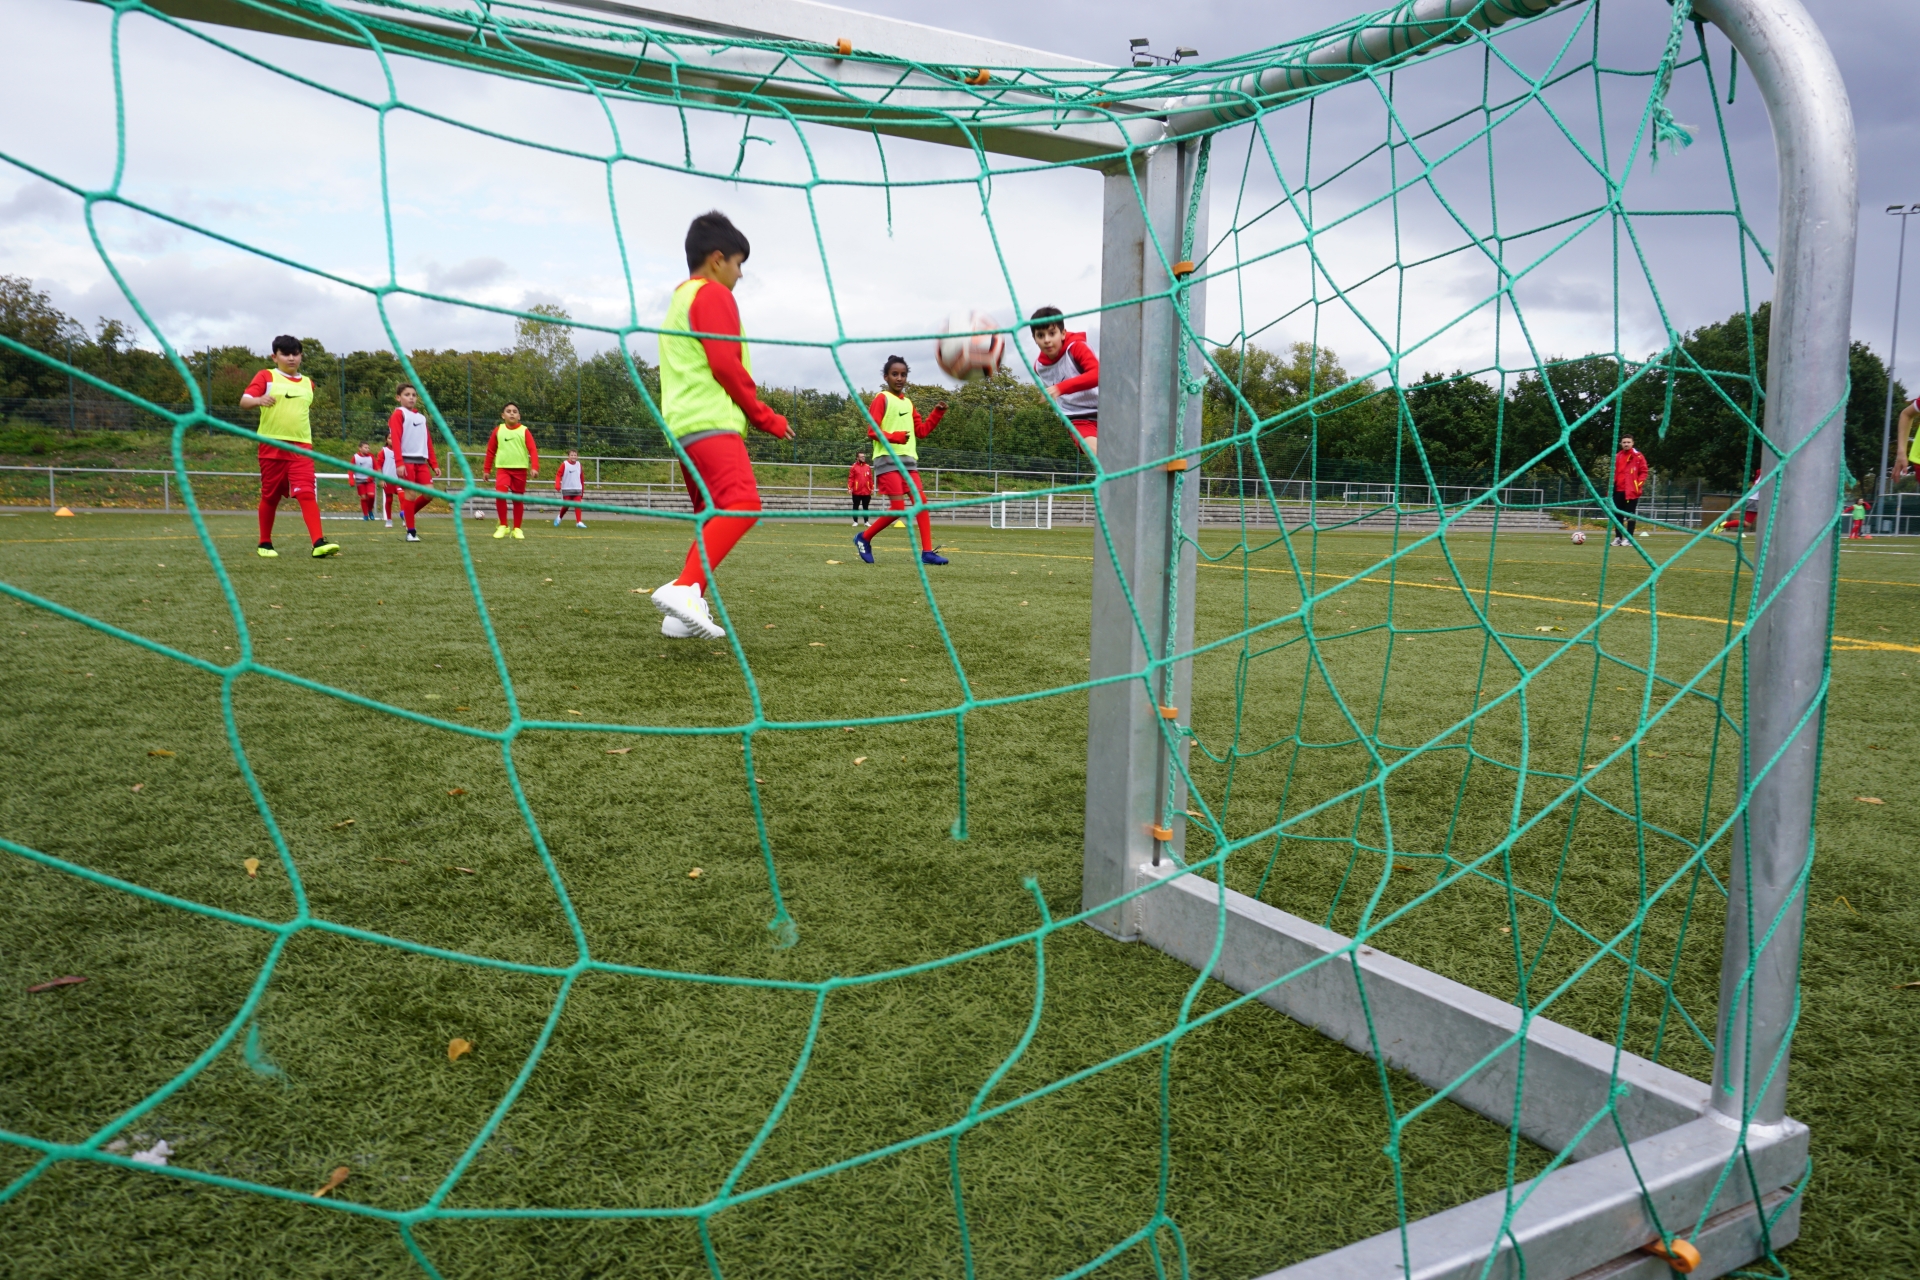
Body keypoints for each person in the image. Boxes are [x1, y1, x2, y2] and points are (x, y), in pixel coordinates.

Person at [648, 210, 792, 641]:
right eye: (738, 263)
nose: (740, 274)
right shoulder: (712, 294)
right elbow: (725, 364)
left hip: (683, 426)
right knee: (742, 503)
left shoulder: (680, 299)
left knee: (710, 517)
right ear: (717, 259)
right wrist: (765, 417)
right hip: (710, 421)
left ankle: (680, 614)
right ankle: (685, 589)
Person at [238, 335, 339, 559]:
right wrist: (259, 400)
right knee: (270, 496)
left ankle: (318, 543)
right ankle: (265, 543)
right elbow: (244, 401)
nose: (291, 358)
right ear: (275, 357)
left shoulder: (308, 383)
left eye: (295, 354)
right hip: (271, 446)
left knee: (307, 492)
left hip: (302, 448)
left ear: (301, 356)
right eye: (285, 354)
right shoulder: (266, 376)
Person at [854, 355, 946, 565]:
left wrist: (937, 413)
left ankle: (927, 552)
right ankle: (864, 537)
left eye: (903, 374)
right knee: (898, 507)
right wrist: (895, 437)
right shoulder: (881, 398)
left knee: (921, 503)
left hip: (909, 463)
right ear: (886, 377)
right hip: (887, 461)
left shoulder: (909, 403)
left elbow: (921, 431)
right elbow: (872, 430)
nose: (899, 378)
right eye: (894, 374)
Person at [1028, 305, 1099, 458]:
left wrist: (1061, 388)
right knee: (1099, 455)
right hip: (1078, 418)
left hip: (1106, 409)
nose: (1047, 340)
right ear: (1034, 339)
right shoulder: (1038, 367)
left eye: (1051, 333)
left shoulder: (1076, 348)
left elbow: (1097, 374)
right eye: (1040, 335)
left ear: (1062, 333)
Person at [387, 383, 438, 543]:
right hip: (406, 462)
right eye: (407, 394)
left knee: (430, 493)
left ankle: (406, 513)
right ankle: (411, 532)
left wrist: (434, 464)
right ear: (398, 397)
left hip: (421, 463)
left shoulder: (421, 418)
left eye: (414, 395)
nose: (411, 398)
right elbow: (396, 439)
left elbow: (427, 442)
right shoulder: (398, 414)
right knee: (411, 494)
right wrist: (399, 462)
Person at [482, 403, 539, 540]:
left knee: (517, 500)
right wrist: (486, 469)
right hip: (503, 469)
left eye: (514, 411)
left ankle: (517, 528)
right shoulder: (498, 430)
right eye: (508, 411)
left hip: (520, 469)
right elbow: (490, 451)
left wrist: (535, 467)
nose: (512, 413)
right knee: (500, 494)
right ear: (503, 415)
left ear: (519, 416)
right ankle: (503, 525)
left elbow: (533, 450)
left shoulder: (524, 431)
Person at [1610, 434, 1648, 546]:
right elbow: (1614, 473)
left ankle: (1629, 538)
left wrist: (1637, 485)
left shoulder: (1638, 456)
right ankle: (1618, 537)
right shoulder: (1617, 456)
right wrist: (1611, 487)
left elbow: (1644, 471)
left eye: (1628, 442)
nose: (1626, 444)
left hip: (1631, 492)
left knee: (1630, 515)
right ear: (1621, 444)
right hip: (1618, 491)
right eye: (1624, 442)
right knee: (1617, 515)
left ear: (1632, 443)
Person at [554, 449, 586, 528]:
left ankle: (579, 522)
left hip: (577, 488)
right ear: (568, 456)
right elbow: (558, 475)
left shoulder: (579, 465)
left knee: (577, 504)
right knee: (566, 505)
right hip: (567, 488)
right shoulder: (564, 464)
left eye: (575, 455)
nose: (573, 457)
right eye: (571, 455)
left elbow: (581, 478)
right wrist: (557, 484)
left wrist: (582, 490)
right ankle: (559, 517)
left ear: (577, 456)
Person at [375, 439, 400, 527]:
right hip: (388, 479)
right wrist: (381, 479)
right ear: (386, 440)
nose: (392, 440)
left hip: (400, 480)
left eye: (394, 438)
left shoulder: (401, 450)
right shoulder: (383, 452)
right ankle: (389, 520)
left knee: (403, 498)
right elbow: (379, 466)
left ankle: (405, 518)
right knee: (389, 500)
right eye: (390, 438)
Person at [350, 441, 378, 521]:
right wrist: (351, 479)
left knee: (371, 496)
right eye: (365, 447)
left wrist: (371, 477)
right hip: (360, 480)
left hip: (370, 480)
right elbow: (350, 469)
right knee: (363, 498)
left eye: (368, 448)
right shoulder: (355, 457)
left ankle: (370, 510)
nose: (367, 449)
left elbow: (375, 468)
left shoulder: (371, 457)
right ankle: (365, 515)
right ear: (360, 448)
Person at [847, 450, 873, 527]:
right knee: (856, 506)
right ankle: (855, 521)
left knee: (866, 507)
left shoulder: (867, 467)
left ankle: (866, 521)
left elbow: (870, 478)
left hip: (866, 491)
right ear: (857, 458)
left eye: (863, 456)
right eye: (861, 457)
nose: (863, 458)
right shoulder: (853, 467)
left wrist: (871, 488)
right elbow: (851, 478)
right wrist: (849, 488)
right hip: (856, 491)